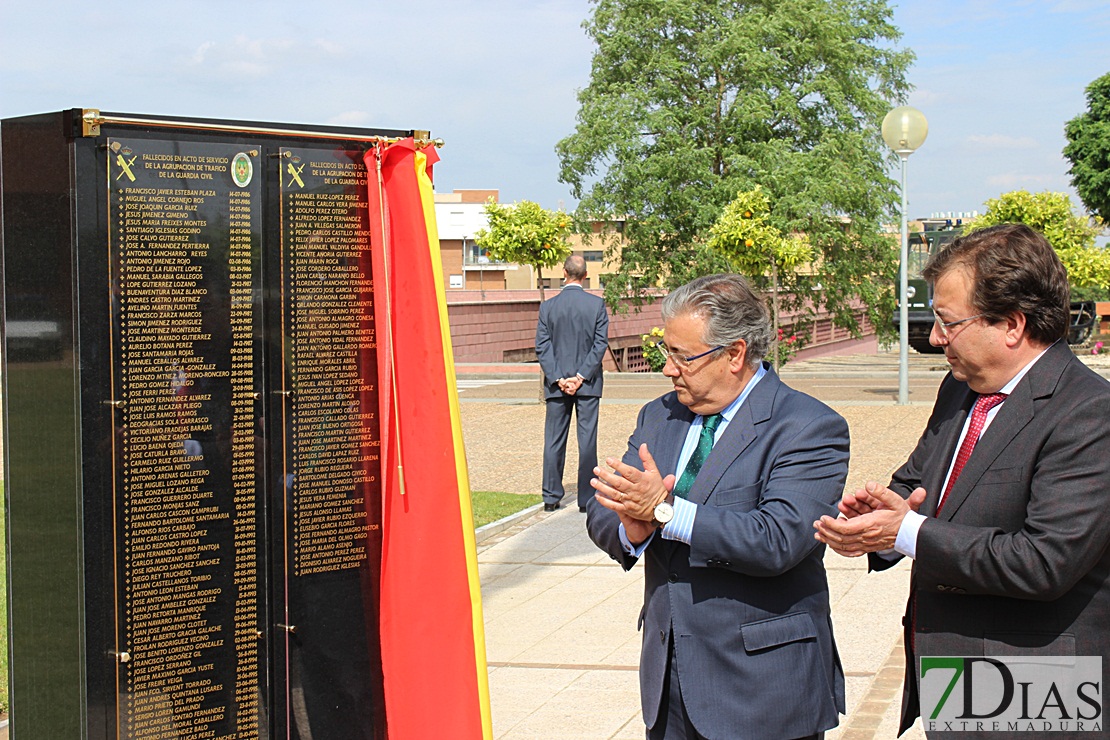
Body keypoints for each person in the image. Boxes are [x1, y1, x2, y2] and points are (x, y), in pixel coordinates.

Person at [813, 223, 1110, 738]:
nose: (934, 337)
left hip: (1040, 687)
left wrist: (904, 533)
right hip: (955, 677)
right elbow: (917, 484)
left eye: (948, 322)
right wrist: (874, 524)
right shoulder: (961, 391)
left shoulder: (1089, 414)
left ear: (1013, 324)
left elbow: (1044, 562)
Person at [587, 273, 848, 740]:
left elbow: (778, 540)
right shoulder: (659, 414)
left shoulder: (809, 426)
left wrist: (664, 512)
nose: (668, 369)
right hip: (670, 685)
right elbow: (607, 508)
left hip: (763, 691)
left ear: (735, 354)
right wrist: (634, 528)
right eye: (665, 353)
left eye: (682, 357)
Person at [536, 254, 610, 512]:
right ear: (585, 275)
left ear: (564, 272)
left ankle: (551, 497)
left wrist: (558, 377)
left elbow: (542, 347)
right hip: (588, 384)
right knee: (587, 441)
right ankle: (586, 499)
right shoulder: (596, 305)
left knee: (554, 440)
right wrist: (580, 377)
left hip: (556, 386)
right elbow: (600, 344)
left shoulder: (548, 307)